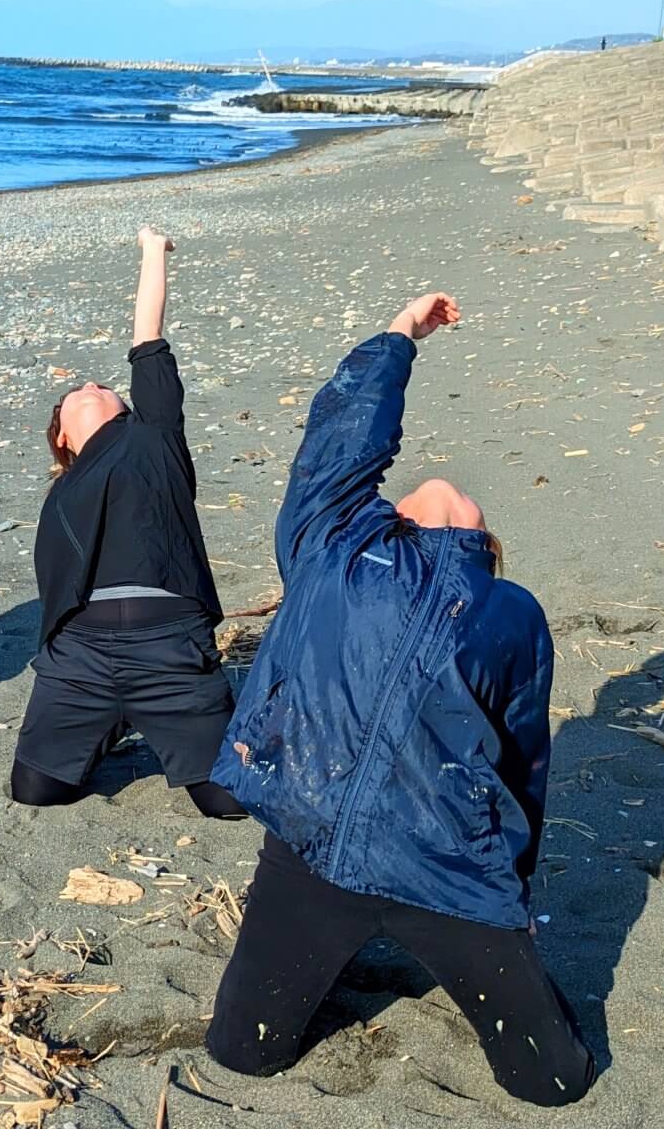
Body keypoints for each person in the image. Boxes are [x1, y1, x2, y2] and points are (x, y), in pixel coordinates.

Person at [203, 294, 594, 1106]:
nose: (440, 487)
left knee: (555, 1082)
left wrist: (510, 891)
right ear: (393, 514)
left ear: (486, 543)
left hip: (445, 865)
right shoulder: (333, 544)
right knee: (241, 1053)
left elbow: (523, 759)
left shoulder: (511, 609)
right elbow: (341, 436)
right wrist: (398, 335)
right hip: (311, 847)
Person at [13, 228, 246, 819]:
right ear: (61, 437)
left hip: (169, 645)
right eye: (76, 391)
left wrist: (152, 250)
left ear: (132, 408)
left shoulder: (153, 438)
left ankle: (145, 715)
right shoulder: (63, 491)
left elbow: (148, 339)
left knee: (227, 800)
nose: (92, 385)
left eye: (106, 387)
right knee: (36, 790)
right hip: (81, 654)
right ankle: (110, 720)